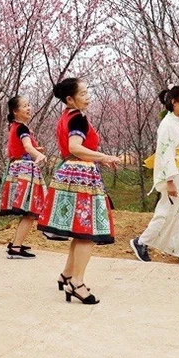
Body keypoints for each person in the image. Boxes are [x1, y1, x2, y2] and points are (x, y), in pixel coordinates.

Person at [37, 78, 121, 305]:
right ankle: (77, 282)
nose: (88, 96)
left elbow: (74, 150)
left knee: (79, 231)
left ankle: (66, 275)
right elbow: (75, 147)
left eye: (86, 92)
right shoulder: (78, 118)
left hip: (70, 172)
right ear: (69, 99)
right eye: (83, 93)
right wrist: (103, 156)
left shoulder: (66, 116)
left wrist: (98, 159)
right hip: (81, 177)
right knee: (87, 233)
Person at [130, 86, 179, 266]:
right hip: (176, 175)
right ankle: (142, 241)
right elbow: (165, 154)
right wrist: (170, 181)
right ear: (174, 102)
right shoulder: (167, 124)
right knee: (167, 210)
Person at [0, 95, 47, 259]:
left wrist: (35, 149)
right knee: (31, 211)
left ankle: (15, 244)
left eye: (29, 105)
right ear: (15, 111)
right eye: (24, 106)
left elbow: (13, 150)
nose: (28, 108)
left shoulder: (13, 127)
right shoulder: (22, 128)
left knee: (28, 211)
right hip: (25, 170)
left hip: (16, 168)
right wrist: (38, 154)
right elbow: (26, 146)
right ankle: (16, 248)